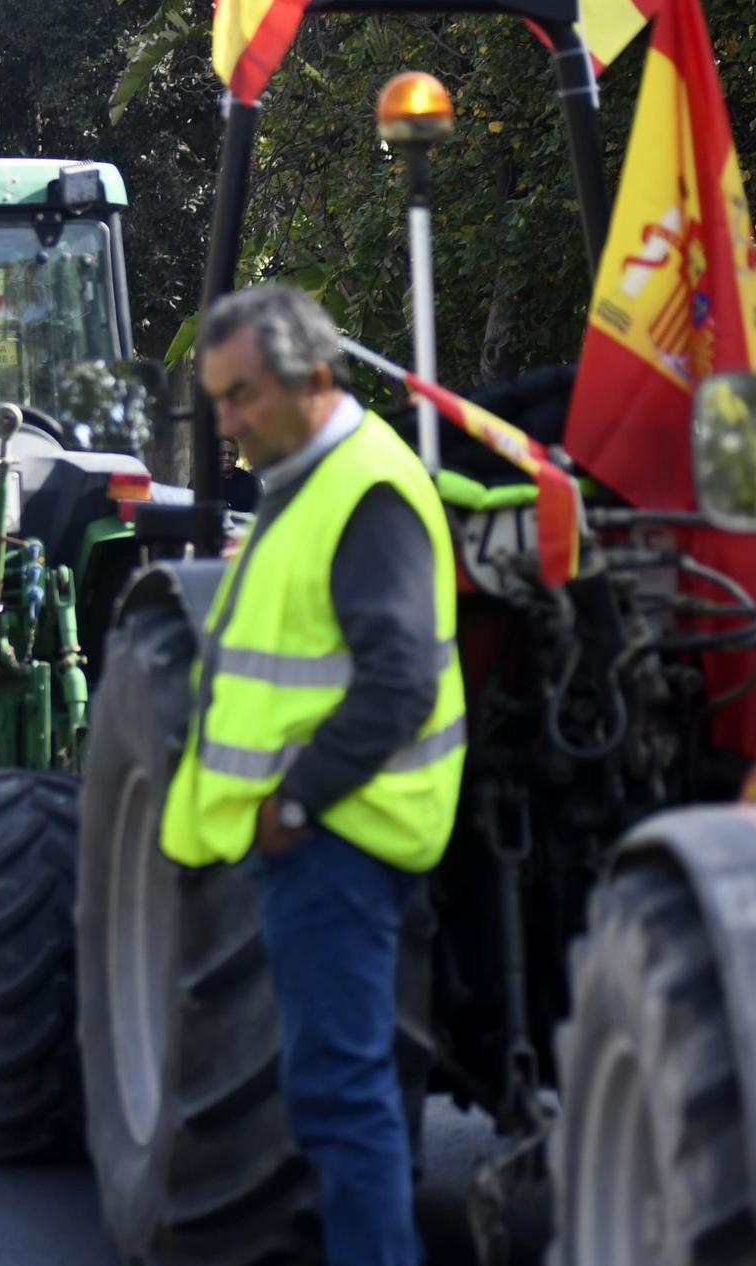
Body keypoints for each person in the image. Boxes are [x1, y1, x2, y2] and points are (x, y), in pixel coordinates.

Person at [162, 283, 465, 1266]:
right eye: (216, 399)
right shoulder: (312, 478)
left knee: (340, 1097)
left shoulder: (363, 490)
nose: (226, 423)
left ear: (316, 380)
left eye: (241, 395)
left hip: (338, 838)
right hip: (319, 836)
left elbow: (399, 679)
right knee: (333, 1090)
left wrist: (294, 799)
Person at [220, 437, 262, 512]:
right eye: (222, 454)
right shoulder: (203, 481)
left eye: (231, 454)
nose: (227, 458)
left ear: (237, 457)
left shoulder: (251, 482)